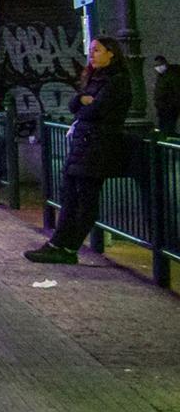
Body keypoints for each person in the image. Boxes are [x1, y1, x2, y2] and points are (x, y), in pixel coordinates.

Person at [27, 36, 134, 265]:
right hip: (83, 145)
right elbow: (75, 106)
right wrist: (83, 101)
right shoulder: (95, 78)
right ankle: (57, 245)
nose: (92, 54)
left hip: (97, 147)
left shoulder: (117, 81)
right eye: (91, 50)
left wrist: (86, 105)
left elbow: (95, 110)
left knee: (85, 202)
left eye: (97, 50)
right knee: (70, 199)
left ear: (111, 53)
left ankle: (67, 247)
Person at [152, 54, 180, 136]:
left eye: (159, 65)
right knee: (165, 128)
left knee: (167, 128)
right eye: (156, 65)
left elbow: (176, 91)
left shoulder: (172, 75)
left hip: (169, 107)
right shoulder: (162, 76)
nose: (157, 67)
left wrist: (173, 104)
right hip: (163, 107)